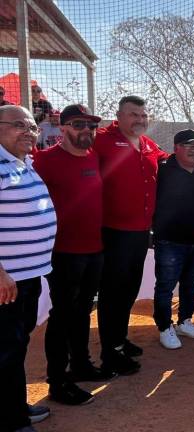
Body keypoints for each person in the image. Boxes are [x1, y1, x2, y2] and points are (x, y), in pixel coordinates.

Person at [33, 104, 114, 407]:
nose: (86, 131)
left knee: (82, 312)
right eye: (78, 125)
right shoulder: (45, 160)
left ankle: (80, 364)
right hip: (63, 253)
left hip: (94, 251)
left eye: (91, 126)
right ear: (62, 127)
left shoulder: (93, 156)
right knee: (63, 316)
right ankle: (58, 381)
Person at [93, 95, 168, 375]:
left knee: (128, 291)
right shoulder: (102, 140)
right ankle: (110, 352)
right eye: (133, 114)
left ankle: (119, 339)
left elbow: (170, 164)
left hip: (140, 233)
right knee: (112, 293)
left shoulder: (149, 145)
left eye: (143, 115)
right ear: (119, 116)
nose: (139, 119)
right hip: (112, 232)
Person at [0, 105, 56, 432]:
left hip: (28, 276)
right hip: (7, 281)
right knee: (6, 350)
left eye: (32, 126)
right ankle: (12, 421)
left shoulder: (24, 163)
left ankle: (13, 406)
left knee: (17, 346)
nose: (28, 132)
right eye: (18, 125)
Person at [152, 130, 194, 349]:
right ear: (176, 147)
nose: (193, 149)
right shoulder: (163, 170)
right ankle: (164, 327)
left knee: (190, 284)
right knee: (165, 287)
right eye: (187, 144)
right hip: (169, 241)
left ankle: (184, 321)